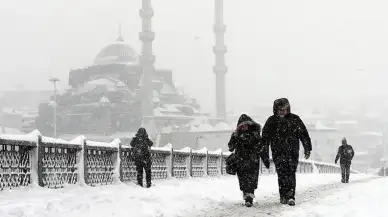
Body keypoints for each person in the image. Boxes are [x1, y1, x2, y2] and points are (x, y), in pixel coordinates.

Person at [262, 98, 312, 206]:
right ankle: (283, 196)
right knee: (282, 174)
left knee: (291, 173)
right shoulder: (271, 121)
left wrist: (307, 148)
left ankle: (290, 196)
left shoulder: (295, 119)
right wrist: (264, 154)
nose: (283, 112)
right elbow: (264, 139)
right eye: (280, 109)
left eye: (285, 109)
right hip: (278, 152)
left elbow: (303, 134)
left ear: (288, 108)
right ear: (276, 109)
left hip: (292, 152)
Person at [228, 114, 270, 207]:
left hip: (252, 162)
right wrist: (234, 137)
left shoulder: (255, 135)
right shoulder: (237, 135)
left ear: (250, 125)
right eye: (242, 126)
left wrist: (266, 160)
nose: (244, 127)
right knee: (243, 181)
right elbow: (231, 147)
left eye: (246, 125)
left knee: (251, 180)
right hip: (241, 162)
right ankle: (246, 196)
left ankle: (249, 198)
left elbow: (261, 148)